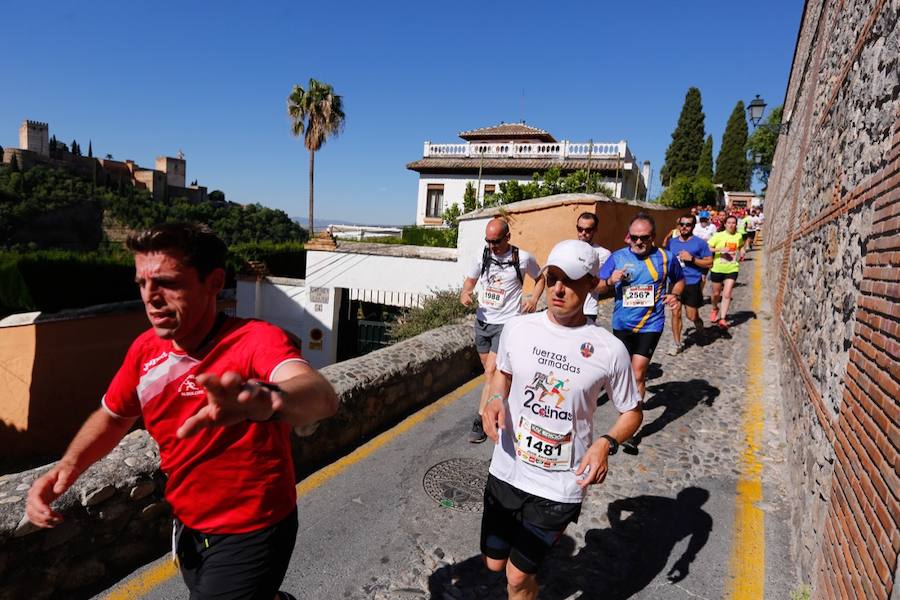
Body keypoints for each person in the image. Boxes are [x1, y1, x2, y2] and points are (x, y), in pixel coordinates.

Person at [26, 223, 339, 600]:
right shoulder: (145, 351)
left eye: (167, 283)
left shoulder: (255, 339)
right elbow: (112, 417)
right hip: (188, 525)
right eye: (142, 283)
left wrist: (266, 400)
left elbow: (321, 396)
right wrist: (65, 469)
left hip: (253, 528)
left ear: (213, 281)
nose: (150, 297)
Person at [480, 239, 643, 600]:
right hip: (508, 469)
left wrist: (606, 443)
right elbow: (502, 373)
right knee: (493, 564)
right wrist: (494, 398)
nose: (557, 288)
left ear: (590, 285)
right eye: (552, 278)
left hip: (560, 486)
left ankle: (525, 583)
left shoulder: (609, 349)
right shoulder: (518, 329)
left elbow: (632, 411)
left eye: (569, 280)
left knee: (515, 578)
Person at [461, 218, 545, 443]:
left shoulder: (523, 258)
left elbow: (540, 279)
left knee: (490, 372)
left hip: (507, 324)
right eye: (488, 241)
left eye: (496, 241)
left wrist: (534, 298)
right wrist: (466, 293)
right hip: (483, 322)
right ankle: (504, 398)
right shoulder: (482, 255)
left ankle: (480, 420)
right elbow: (469, 282)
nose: (492, 246)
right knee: (491, 373)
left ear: (507, 237)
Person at [596, 213, 685, 400]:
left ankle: (631, 421)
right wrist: (611, 281)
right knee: (623, 372)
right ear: (629, 235)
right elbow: (597, 286)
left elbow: (679, 280)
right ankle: (627, 409)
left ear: (653, 237)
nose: (638, 241)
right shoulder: (617, 257)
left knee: (637, 374)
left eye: (644, 237)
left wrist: (674, 294)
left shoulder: (666, 257)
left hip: (651, 324)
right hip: (622, 323)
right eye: (634, 237)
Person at [665, 214, 713, 354]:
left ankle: (699, 326)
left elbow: (710, 262)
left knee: (691, 315)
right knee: (676, 313)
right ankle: (677, 343)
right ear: (678, 225)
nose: (684, 227)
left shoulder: (700, 243)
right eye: (682, 224)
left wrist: (692, 259)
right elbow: (666, 259)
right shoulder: (672, 242)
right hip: (674, 283)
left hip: (692, 282)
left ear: (693, 226)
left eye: (688, 224)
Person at [707, 215, 744, 329]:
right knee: (716, 294)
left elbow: (741, 246)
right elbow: (708, 248)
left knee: (727, 294)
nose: (731, 225)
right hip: (718, 268)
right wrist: (720, 249)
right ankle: (714, 308)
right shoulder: (718, 235)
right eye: (729, 222)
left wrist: (742, 252)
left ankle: (723, 319)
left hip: (732, 268)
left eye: (733, 223)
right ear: (725, 224)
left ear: (736, 224)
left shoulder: (738, 236)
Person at [574, 212, 611, 323]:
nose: (583, 233)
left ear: (595, 230)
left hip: (587, 309)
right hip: (567, 306)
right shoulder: (569, 249)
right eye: (580, 229)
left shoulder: (604, 254)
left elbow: (602, 287)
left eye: (588, 230)